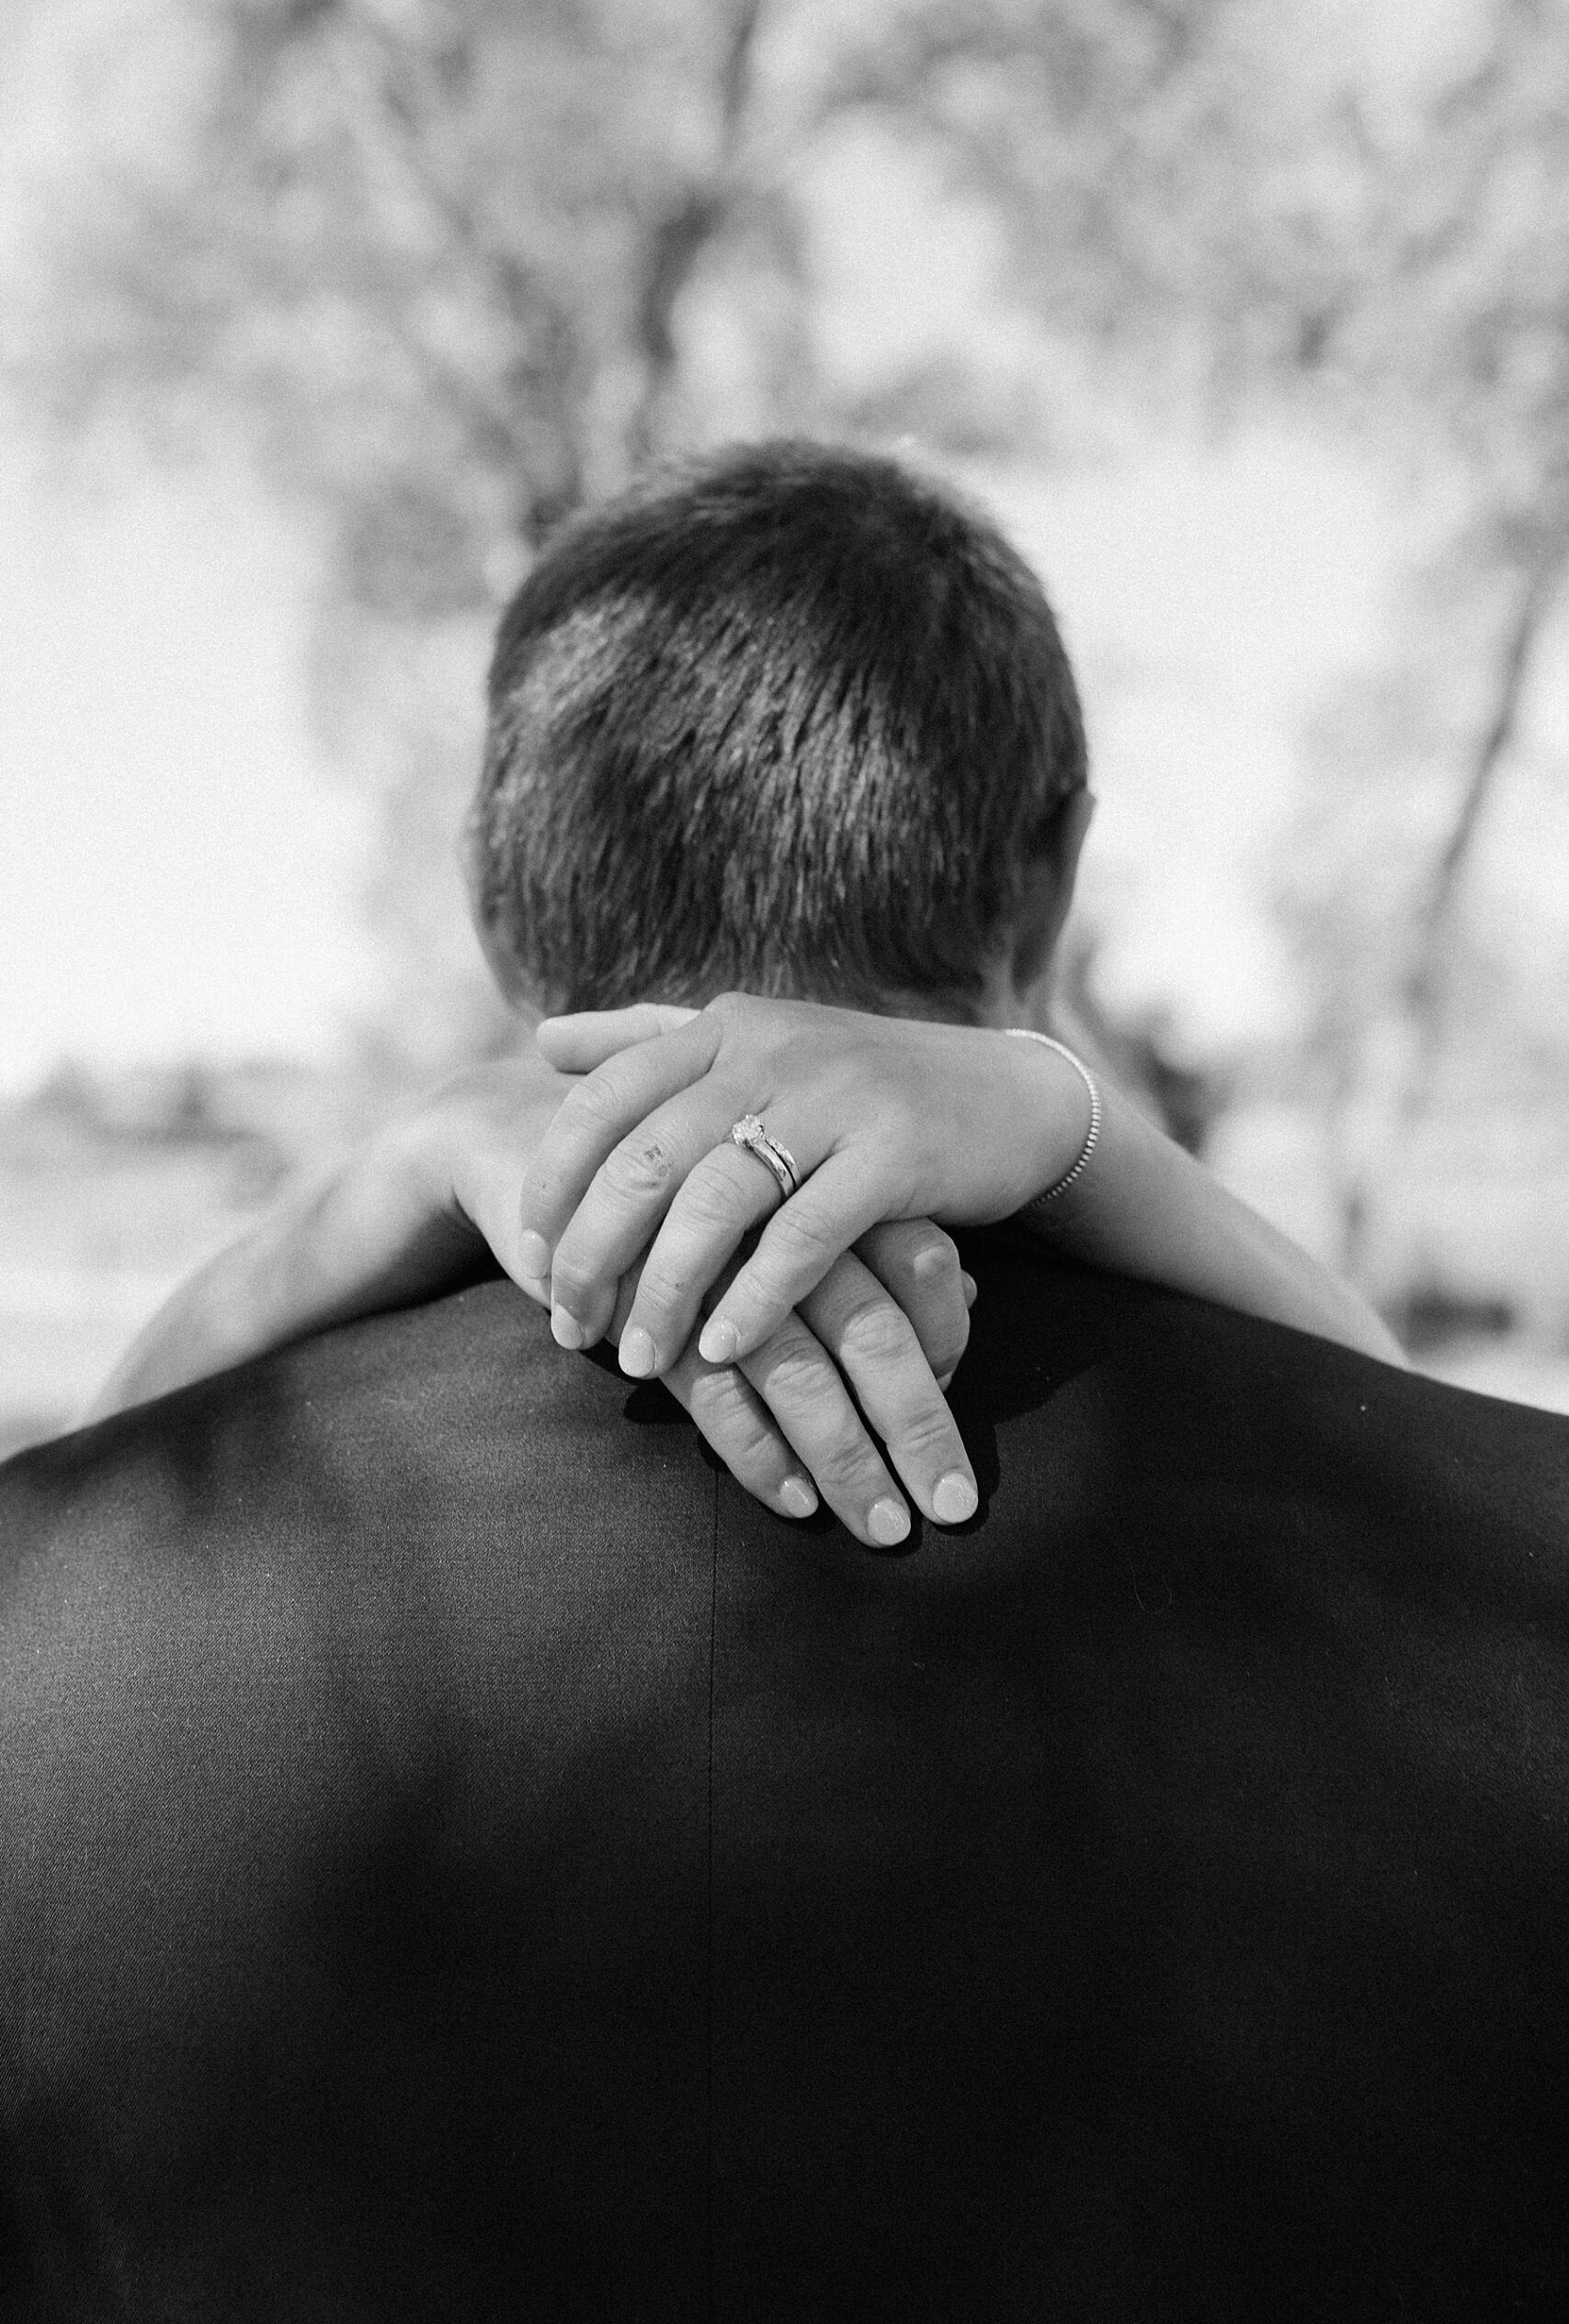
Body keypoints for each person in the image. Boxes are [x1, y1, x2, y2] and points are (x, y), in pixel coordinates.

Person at [5, 442, 1568, 2321]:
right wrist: (1087, 1131)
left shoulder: (55, 1625)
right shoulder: (1494, 1584)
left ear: (503, 910)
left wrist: (346, 1202)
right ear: (1052, 876)